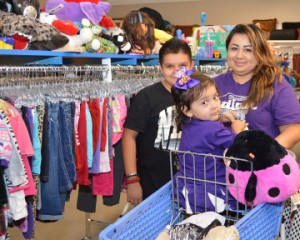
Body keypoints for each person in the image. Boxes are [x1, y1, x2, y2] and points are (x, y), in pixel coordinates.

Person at [122, 38, 194, 206]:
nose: (177, 71)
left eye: (182, 66)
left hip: (192, 182)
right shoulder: (146, 97)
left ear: (191, 65)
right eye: (169, 66)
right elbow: (129, 137)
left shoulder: (199, 95)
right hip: (153, 184)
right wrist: (132, 180)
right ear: (160, 68)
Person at [171, 69, 247, 213]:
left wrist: (219, 119)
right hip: (213, 190)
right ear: (187, 110)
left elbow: (205, 133)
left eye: (215, 98)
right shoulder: (213, 130)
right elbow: (236, 144)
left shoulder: (189, 123)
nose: (214, 105)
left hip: (191, 187)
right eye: (204, 102)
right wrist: (236, 129)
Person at [214, 24, 300, 150]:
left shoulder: (276, 86)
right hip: (217, 165)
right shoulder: (213, 85)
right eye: (234, 48)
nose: (239, 55)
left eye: (248, 50)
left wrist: (265, 154)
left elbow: (294, 129)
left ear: (260, 54)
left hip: (261, 166)